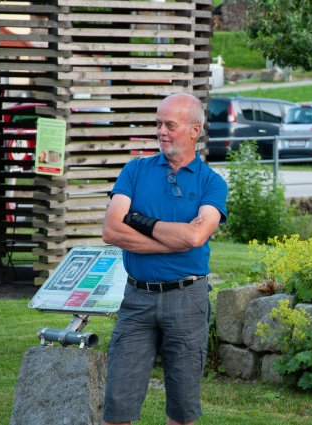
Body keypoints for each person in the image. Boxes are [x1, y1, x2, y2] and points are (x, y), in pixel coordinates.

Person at [101, 93, 228, 425]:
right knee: (117, 403)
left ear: (194, 130)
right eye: (158, 123)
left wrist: (141, 222)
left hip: (187, 299)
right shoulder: (135, 170)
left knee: (182, 408)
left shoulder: (211, 183)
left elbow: (195, 237)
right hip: (137, 300)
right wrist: (174, 241)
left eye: (170, 125)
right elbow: (112, 230)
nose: (161, 131)